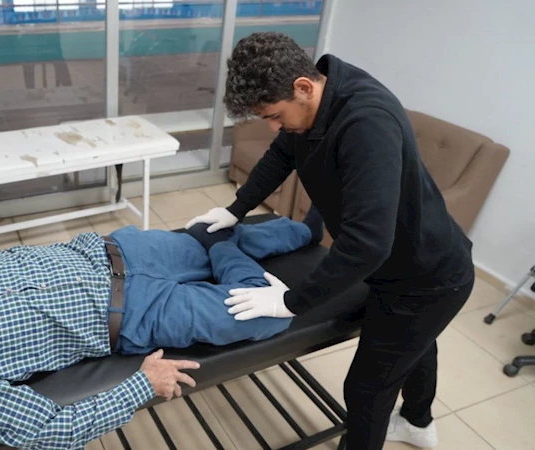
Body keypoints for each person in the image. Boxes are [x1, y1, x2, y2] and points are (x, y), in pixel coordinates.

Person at [0, 215, 321, 450]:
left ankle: (302, 229)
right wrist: (142, 385)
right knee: (273, 313)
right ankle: (225, 252)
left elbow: (1, 257)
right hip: (136, 311)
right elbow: (50, 430)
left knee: (220, 230)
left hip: (119, 250)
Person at [186, 32, 475, 450]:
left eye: (274, 115)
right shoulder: (318, 95)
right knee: (415, 347)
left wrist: (291, 302)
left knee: (367, 388)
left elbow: (367, 244)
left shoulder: (366, 123)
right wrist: (236, 209)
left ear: (303, 87)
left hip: (426, 277)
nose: (274, 126)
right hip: (401, 261)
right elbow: (282, 154)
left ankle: (411, 423)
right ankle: (418, 422)